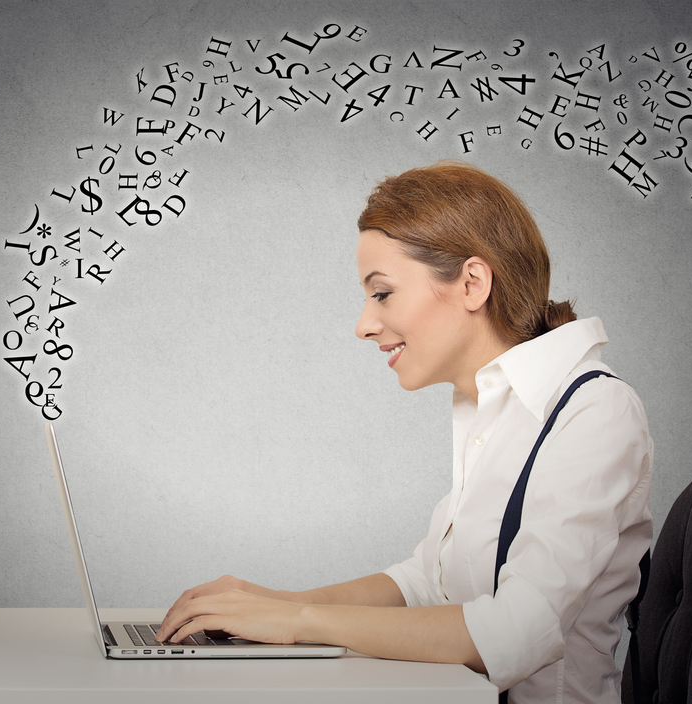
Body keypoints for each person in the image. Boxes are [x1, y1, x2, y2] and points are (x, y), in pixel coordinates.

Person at [156, 161, 653, 703]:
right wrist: (271, 603)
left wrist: (295, 619)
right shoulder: (487, 408)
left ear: (472, 283)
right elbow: (425, 584)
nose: (364, 324)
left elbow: (515, 631)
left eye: (383, 293)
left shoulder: (595, 411)